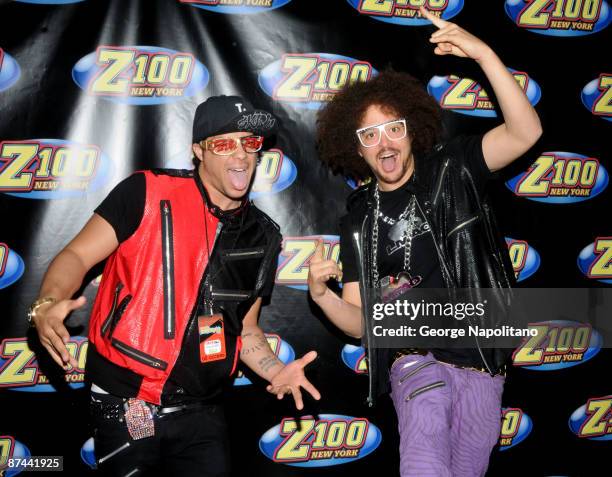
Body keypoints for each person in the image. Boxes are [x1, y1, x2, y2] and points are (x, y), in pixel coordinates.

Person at [28, 95, 321, 476]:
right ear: (198, 151)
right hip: (127, 401)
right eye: (223, 143)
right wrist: (48, 300)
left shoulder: (263, 235)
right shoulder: (146, 192)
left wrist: (274, 371)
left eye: (249, 142)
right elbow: (77, 257)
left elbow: (245, 330)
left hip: (204, 408)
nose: (241, 155)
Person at [309, 7, 541, 477]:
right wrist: (319, 295)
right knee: (424, 462)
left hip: (480, 360)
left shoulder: (454, 169)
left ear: (411, 132)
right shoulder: (359, 219)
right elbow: (357, 323)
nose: (385, 143)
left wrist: (481, 53)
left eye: (394, 128)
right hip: (413, 358)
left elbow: (526, 132)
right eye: (369, 135)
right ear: (356, 148)